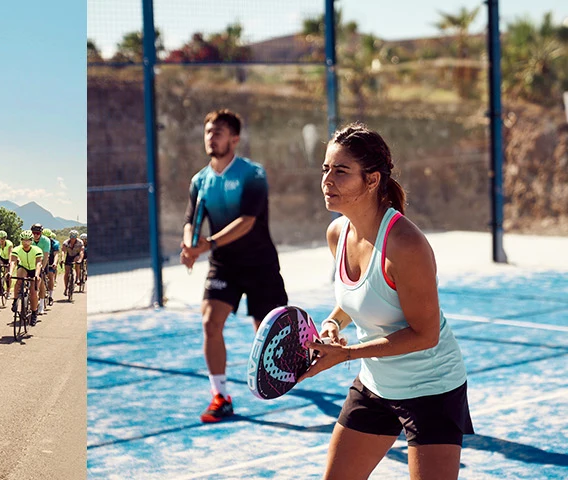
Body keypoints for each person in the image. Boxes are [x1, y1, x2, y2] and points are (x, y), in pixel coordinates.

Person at [300, 123, 471, 479]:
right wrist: (333, 323)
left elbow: (425, 335)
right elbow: (358, 298)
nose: (327, 180)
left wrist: (347, 355)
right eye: (325, 169)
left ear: (373, 180)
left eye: (341, 171)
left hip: (431, 389)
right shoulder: (338, 233)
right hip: (375, 385)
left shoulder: (405, 245)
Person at [179, 109, 288, 423]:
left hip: (260, 264)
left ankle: (296, 358)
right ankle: (221, 397)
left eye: (219, 132)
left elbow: (247, 221)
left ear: (235, 138)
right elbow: (191, 221)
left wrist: (206, 244)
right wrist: (189, 244)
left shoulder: (252, 174)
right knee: (210, 324)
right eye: (209, 131)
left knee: (267, 334)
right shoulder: (199, 180)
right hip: (224, 266)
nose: (212, 137)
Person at [7, 231, 43, 322]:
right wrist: (10, 273)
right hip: (24, 267)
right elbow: (13, 262)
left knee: (33, 293)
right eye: (23, 240)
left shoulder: (37, 250)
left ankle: (34, 312)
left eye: (28, 240)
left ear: (31, 241)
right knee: (19, 281)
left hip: (34, 269)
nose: (25, 242)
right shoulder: (17, 249)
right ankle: (15, 300)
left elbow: (39, 263)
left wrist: (36, 275)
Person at [63, 231, 84, 298]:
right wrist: (62, 259)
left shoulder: (80, 242)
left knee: (77, 262)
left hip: (76, 255)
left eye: (74, 237)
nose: (73, 239)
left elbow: (81, 252)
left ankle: (77, 278)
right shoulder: (66, 243)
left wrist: (80, 259)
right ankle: (66, 288)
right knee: (67, 272)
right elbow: (63, 251)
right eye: (71, 237)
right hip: (69, 256)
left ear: (76, 237)